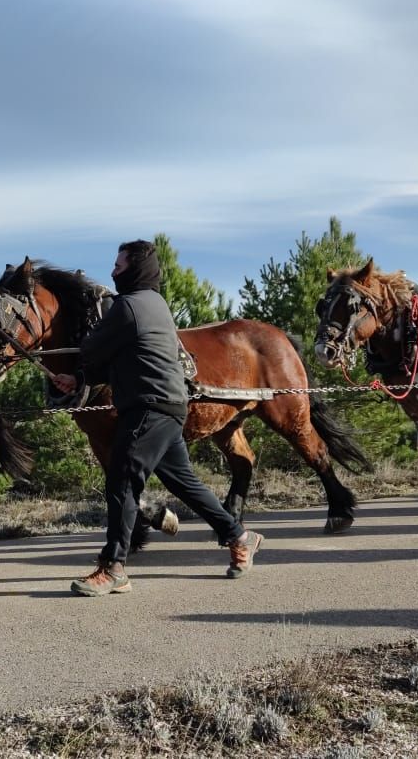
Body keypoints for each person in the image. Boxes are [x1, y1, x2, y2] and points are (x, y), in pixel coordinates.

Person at [52, 240, 264, 596]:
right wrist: (79, 379)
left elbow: (91, 348)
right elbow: (125, 357)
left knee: (121, 482)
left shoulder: (128, 307)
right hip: (168, 406)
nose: (112, 270)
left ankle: (114, 567)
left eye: (118, 265)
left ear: (134, 269)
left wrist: (79, 367)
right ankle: (240, 536)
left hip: (148, 408)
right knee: (185, 484)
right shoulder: (155, 304)